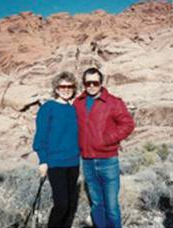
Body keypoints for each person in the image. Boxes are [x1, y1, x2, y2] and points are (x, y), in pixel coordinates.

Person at [74, 68, 135, 228]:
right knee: (96, 204)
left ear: (101, 83)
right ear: (84, 84)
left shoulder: (114, 102)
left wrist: (108, 139)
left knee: (112, 206)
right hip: (87, 160)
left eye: (95, 82)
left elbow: (128, 124)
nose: (92, 86)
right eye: (88, 83)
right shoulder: (78, 103)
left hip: (108, 160)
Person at [33, 72, 80, 228]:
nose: (66, 89)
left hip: (73, 162)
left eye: (70, 86)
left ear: (74, 88)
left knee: (71, 204)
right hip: (55, 163)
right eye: (62, 86)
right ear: (56, 88)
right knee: (62, 204)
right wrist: (43, 160)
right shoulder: (48, 108)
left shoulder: (74, 109)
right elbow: (41, 137)